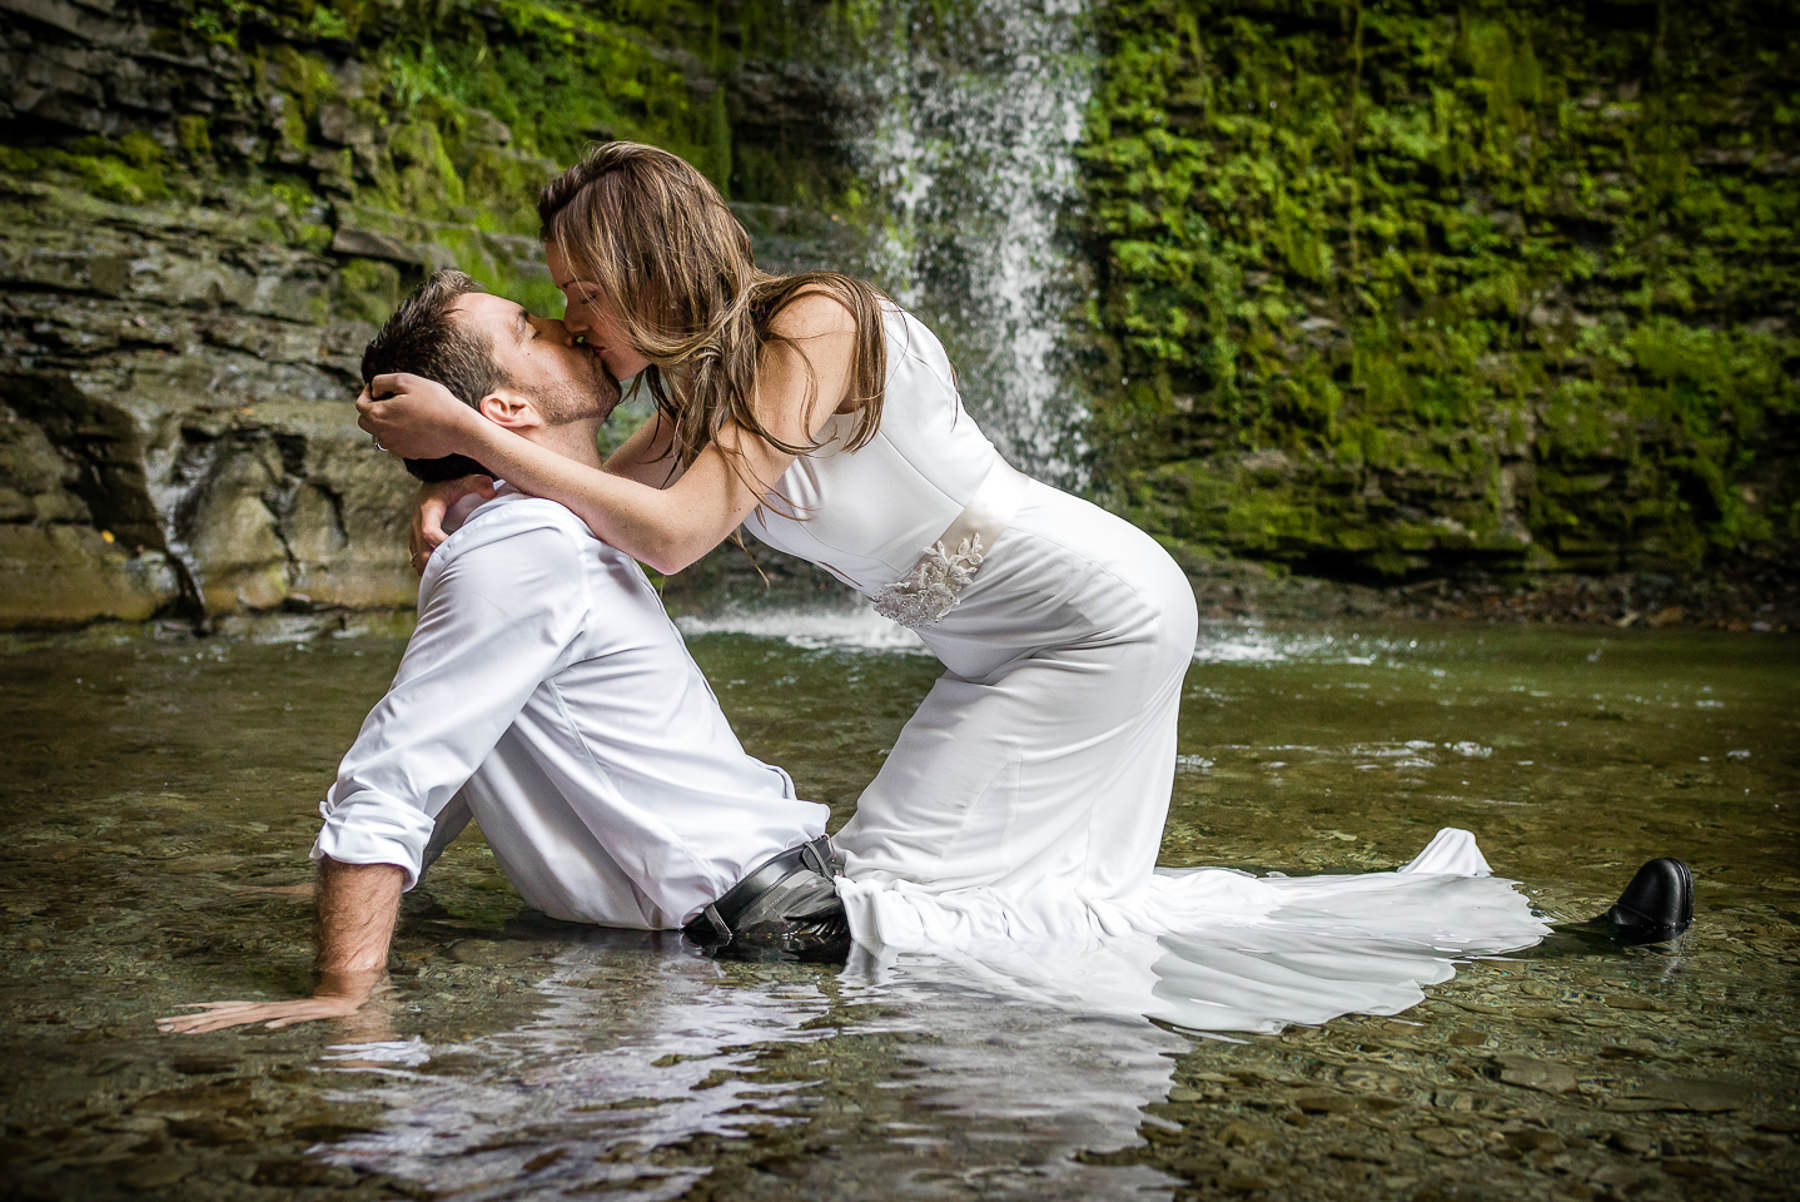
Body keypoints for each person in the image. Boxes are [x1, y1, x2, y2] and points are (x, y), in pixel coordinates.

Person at [354, 143, 1695, 962]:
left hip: (1090, 617)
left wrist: (479, 433)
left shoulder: (811, 323)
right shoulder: (692, 407)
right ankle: (1520, 938)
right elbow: (597, 501)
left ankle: (1536, 948)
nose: (579, 318)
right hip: (998, 648)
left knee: (887, 907)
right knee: (1012, 907)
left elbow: (678, 535)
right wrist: (463, 491)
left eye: (584, 287)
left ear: (651, 260)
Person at [160, 271, 849, 1036]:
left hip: (773, 936)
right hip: (763, 952)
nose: (569, 324)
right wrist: (342, 995)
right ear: (504, 408)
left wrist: (465, 464)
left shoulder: (538, 529)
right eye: (532, 327)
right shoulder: (529, 542)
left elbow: (447, 759)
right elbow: (395, 778)